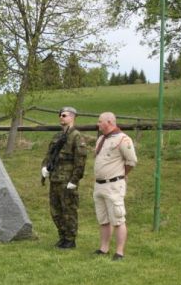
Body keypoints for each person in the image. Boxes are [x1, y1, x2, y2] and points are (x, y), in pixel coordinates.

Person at [93, 112, 138, 261]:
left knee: (118, 219)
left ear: (110, 122)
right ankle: (103, 248)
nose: (98, 124)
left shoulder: (123, 139)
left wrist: (121, 174)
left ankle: (119, 252)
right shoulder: (101, 139)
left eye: (100, 122)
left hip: (113, 186)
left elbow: (131, 161)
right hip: (99, 185)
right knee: (103, 219)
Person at [41, 107, 87, 249]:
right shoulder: (57, 136)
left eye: (64, 115)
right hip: (55, 178)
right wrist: (44, 167)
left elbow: (81, 160)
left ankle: (70, 239)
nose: (61, 117)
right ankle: (62, 236)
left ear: (72, 117)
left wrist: (74, 180)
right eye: (60, 115)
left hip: (67, 180)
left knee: (69, 210)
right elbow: (49, 154)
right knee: (55, 210)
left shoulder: (76, 136)